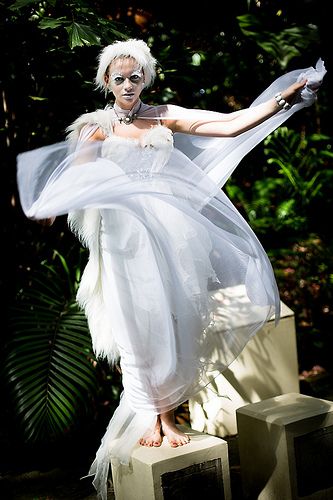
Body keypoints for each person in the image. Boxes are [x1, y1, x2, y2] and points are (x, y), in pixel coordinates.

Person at [16, 39, 326, 499]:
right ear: (106, 82)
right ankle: (152, 414)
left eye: (134, 76)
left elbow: (229, 125)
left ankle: (169, 415)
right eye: (118, 78)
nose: (127, 84)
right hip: (123, 241)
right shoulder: (93, 129)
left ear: (146, 78)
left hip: (170, 237)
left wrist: (284, 99)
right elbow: (80, 176)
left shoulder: (161, 115)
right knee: (138, 325)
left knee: (176, 319)